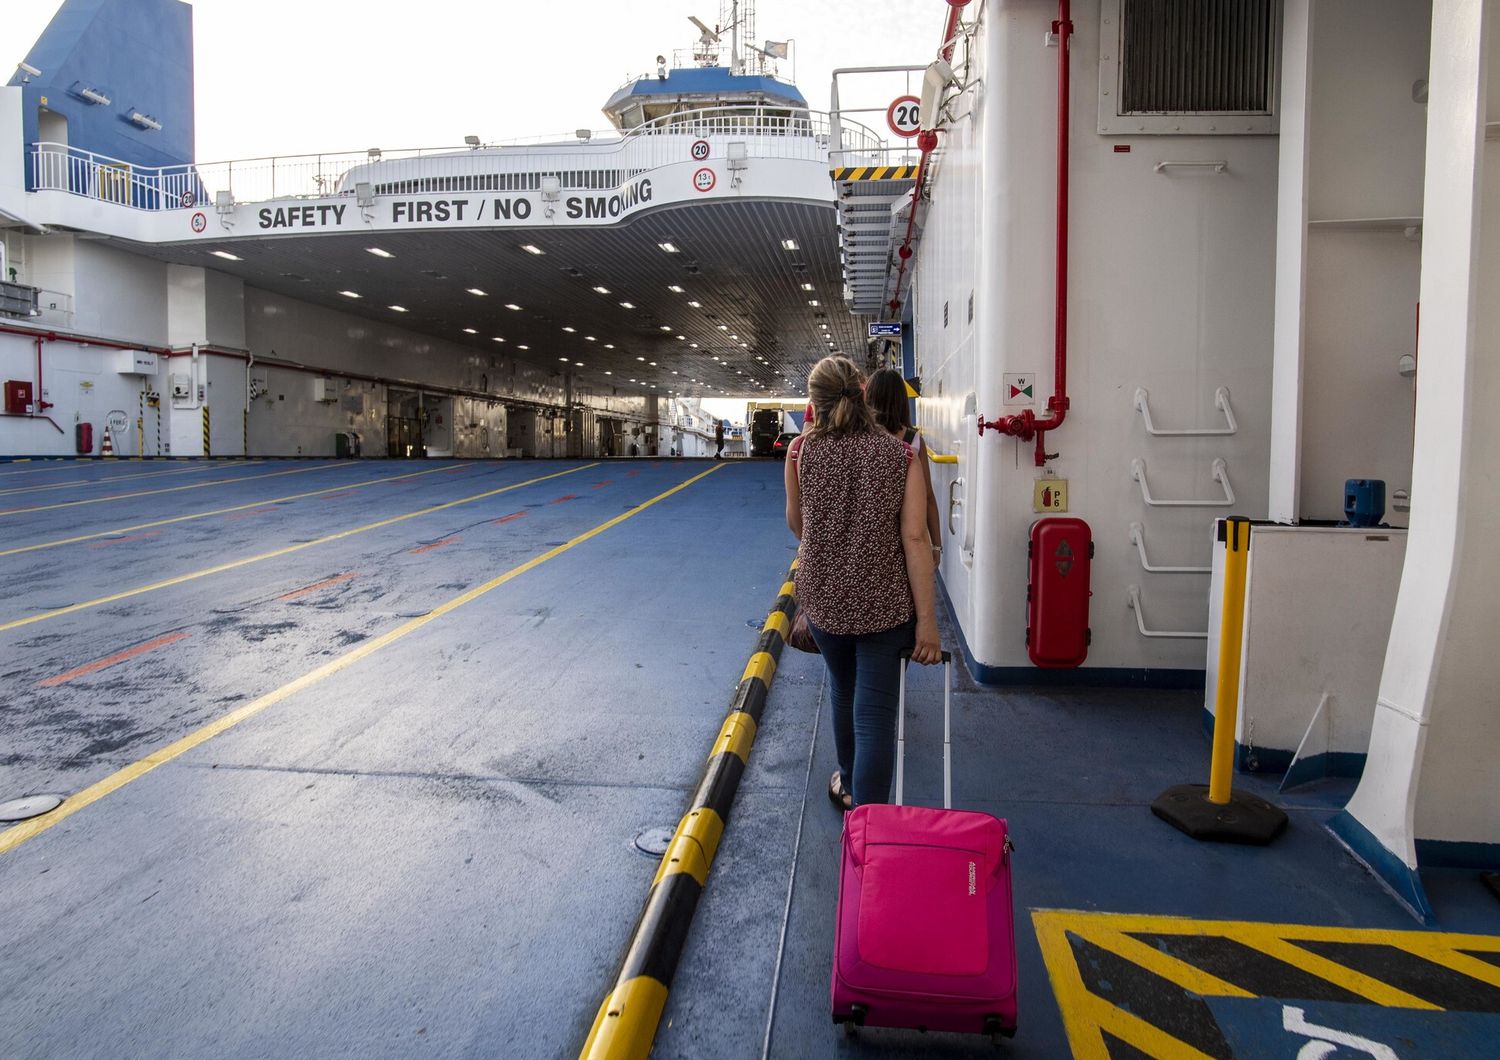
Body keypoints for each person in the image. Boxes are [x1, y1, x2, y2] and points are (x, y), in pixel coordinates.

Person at [785, 356, 942, 812]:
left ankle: (849, 783)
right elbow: (915, 538)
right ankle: (870, 826)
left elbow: (799, 525)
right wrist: (927, 624)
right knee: (874, 716)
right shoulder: (901, 454)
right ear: (861, 388)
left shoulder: (802, 451)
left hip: (826, 604)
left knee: (841, 689)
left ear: (815, 402)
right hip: (885, 608)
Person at [865, 368, 943, 566]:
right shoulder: (913, 440)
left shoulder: (860, 439)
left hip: (869, 535)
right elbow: (927, 496)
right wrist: (936, 545)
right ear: (901, 400)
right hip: (908, 535)